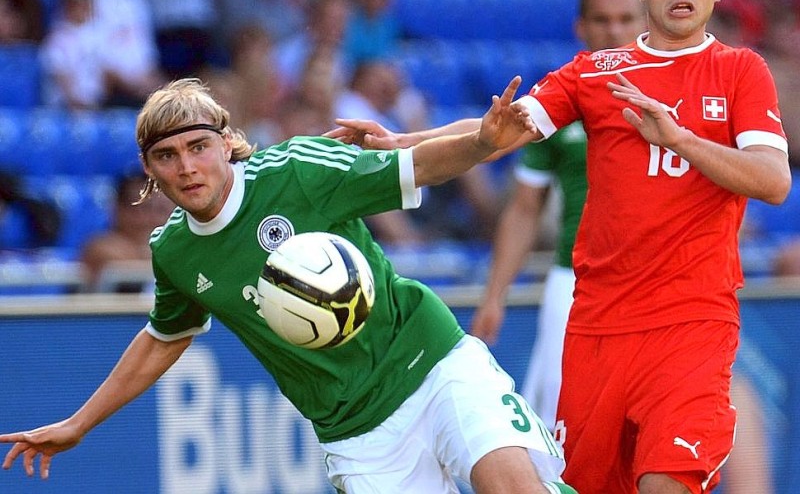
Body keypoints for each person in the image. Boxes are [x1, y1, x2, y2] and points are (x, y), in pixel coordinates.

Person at [327, 0, 791, 493]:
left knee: (666, 481)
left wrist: (681, 139)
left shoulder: (740, 71)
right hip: (597, 325)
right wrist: (405, 139)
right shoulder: (596, 72)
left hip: (692, 322)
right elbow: (501, 131)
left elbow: (773, 180)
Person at [0, 78, 576, 494]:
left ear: (226, 142)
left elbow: (419, 165)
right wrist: (78, 423)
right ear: (150, 171)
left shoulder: (299, 171)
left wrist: (480, 142)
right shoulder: (173, 251)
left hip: (431, 360)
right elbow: (163, 337)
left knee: (511, 489)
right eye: (166, 157)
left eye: (198, 147)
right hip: (356, 429)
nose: (186, 167)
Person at [470, 0, 647, 431]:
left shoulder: (669, 93)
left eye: (626, 19)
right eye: (602, 20)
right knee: (560, 427)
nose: (614, 31)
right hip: (575, 281)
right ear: (580, 28)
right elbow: (525, 206)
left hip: (652, 281)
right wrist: (495, 295)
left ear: (643, 22)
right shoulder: (562, 100)